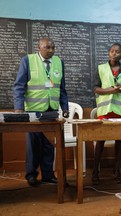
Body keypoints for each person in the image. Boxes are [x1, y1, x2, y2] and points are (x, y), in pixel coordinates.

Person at [13, 37, 69, 186]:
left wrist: (65, 108)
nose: (51, 50)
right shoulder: (28, 60)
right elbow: (19, 86)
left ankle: (47, 175)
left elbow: (62, 89)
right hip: (32, 110)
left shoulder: (59, 62)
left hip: (51, 110)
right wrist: (18, 108)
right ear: (39, 48)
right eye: (47, 47)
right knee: (33, 142)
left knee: (49, 144)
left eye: (53, 47)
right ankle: (31, 175)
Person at [92, 43, 121, 185]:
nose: (114, 54)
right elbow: (96, 89)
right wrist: (110, 90)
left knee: (119, 141)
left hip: (120, 112)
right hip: (105, 111)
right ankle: (95, 173)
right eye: (112, 51)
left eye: (118, 52)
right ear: (109, 53)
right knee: (100, 141)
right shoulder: (101, 68)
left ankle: (116, 172)